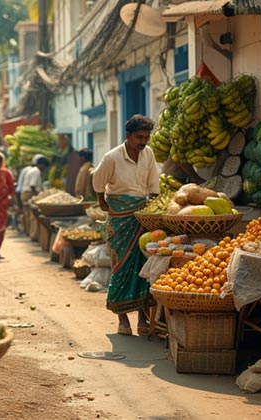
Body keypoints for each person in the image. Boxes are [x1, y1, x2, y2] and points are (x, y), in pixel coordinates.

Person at [92, 114, 160, 336]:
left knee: (142, 266)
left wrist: (154, 208)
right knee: (120, 267)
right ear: (128, 136)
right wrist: (105, 204)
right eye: (139, 137)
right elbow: (98, 182)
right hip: (119, 217)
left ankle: (142, 317)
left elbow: (154, 185)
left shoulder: (148, 154)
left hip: (141, 216)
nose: (143, 141)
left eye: (146, 137)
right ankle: (122, 319)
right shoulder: (112, 157)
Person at [20, 156, 50, 234]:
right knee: (30, 215)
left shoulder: (32, 170)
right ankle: (31, 232)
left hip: (25, 193)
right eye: (45, 166)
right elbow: (32, 185)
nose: (44, 169)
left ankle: (28, 231)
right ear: (42, 165)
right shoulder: (36, 171)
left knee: (27, 214)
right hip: (29, 193)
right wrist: (38, 195)